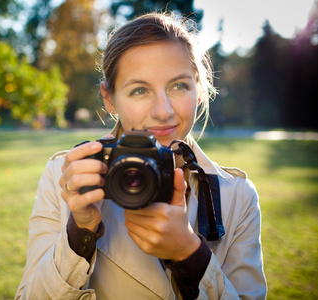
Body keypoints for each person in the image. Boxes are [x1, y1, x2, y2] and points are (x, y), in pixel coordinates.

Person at [15, 12, 266, 300]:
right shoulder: (66, 175)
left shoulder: (238, 196)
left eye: (178, 86)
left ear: (199, 90)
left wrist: (190, 255)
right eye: (139, 90)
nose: (163, 111)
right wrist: (80, 233)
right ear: (109, 99)